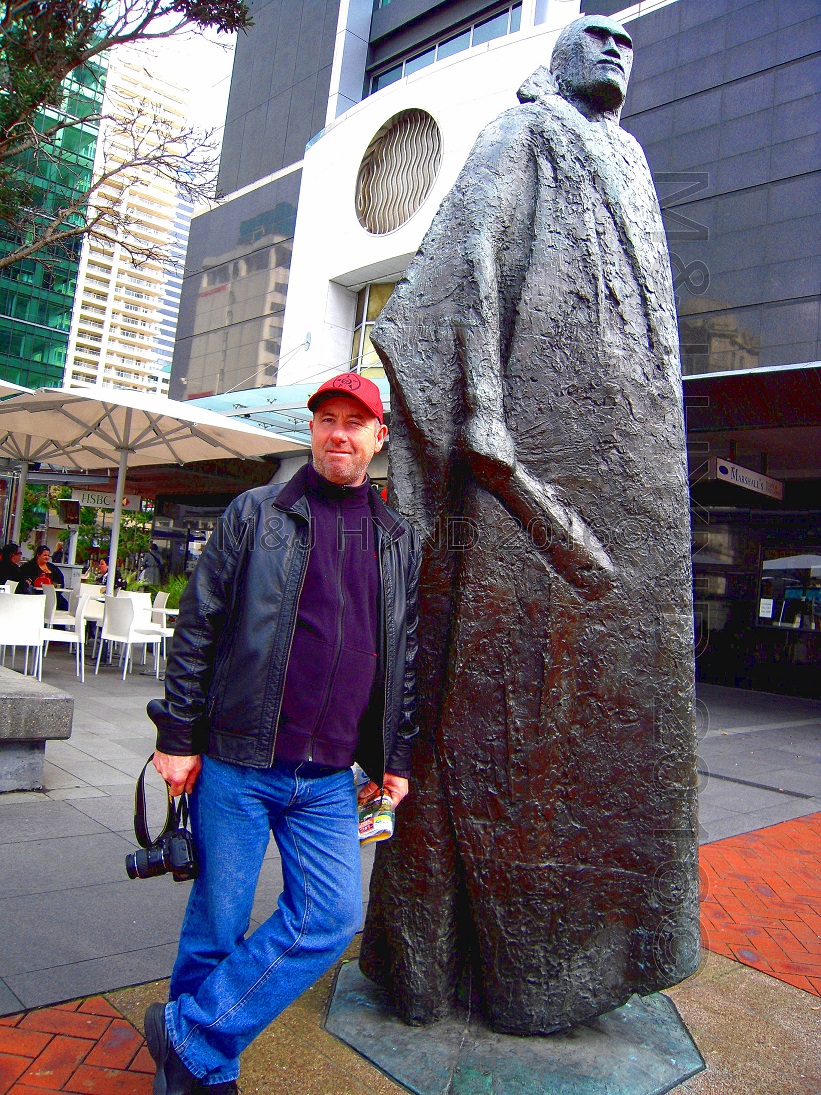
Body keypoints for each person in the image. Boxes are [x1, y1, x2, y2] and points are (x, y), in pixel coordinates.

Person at [360, 14, 698, 1034]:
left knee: (617, 694)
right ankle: (475, 960)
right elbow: (467, 260)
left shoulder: (627, 159)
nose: (613, 50)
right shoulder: (524, 135)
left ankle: (596, 950)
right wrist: (483, 413)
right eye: (592, 36)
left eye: (624, 41)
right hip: (528, 459)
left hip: (626, 454)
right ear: (552, 59)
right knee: (499, 700)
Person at [144, 372, 421, 1094]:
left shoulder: (395, 540)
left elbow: (404, 653)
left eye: (355, 423)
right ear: (312, 429)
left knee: (330, 917)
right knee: (217, 924)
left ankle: (187, 1036)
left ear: (377, 439)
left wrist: (393, 756)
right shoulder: (255, 512)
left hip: (330, 778)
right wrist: (177, 734)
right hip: (238, 760)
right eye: (327, 419)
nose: (339, 433)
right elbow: (198, 625)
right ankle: (202, 1073)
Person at [19, 544, 68, 609]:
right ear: (38, 555)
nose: (47, 557)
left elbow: (60, 580)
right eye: (45, 555)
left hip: (51, 593)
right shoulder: (29, 566)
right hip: (36, 593)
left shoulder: (53, 568)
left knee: (63, 603)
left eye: (48, 555)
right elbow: (24, 578)